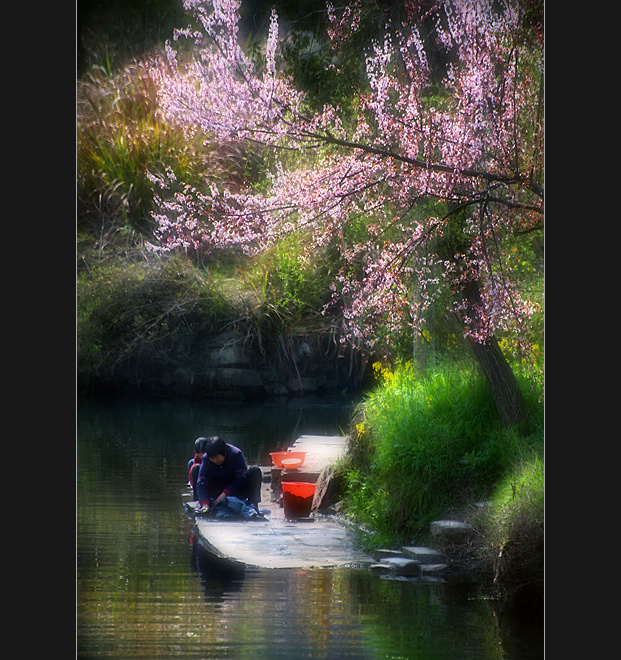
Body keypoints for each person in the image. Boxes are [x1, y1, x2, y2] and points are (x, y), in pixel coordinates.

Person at [196, 436, 262, 513]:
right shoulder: (206, 459)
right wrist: (205, 504)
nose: (215, 460)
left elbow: (241, 479)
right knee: (196, 469)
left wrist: (225, 494)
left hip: (235, 489)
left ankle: (253, 504)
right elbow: (201, 483)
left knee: (255, 471)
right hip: (216, 488)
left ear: (224, 453)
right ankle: (201, 504)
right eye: (212, 458)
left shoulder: (236, 454)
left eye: (217, 458)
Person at [187, 437, 209, 501]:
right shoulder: (196, 458)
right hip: (200, 473)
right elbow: (192, 472)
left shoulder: (213, 456)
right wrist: (193, 484)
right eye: (199, 456)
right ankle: (196, 498)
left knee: (196, 467)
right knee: (191, 463)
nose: (201, 458)